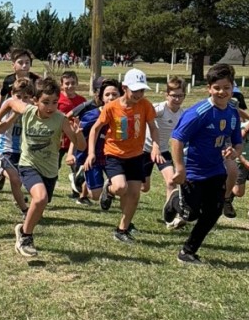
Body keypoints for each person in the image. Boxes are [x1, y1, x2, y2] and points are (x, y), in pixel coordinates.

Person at [0, 77, 84, 257]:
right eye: (45, 102)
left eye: (55, 102)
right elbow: (9, 102)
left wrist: (79, 135)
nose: (50, 107)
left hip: (49, 170)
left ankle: (23, 230)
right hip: (28, 165)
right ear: (35, 101)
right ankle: (26, 237)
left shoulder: (61, 119)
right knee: (39, 199)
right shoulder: (28, 110)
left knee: (42, 203)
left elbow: (80, 147)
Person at [163, 63, 243, 264]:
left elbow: (237, 141)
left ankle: (187, 251)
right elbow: (176, 139)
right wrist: (180, 168)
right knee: (190, 214)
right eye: (217, 88)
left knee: (213, 211)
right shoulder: (199, 112)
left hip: (216, 169)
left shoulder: (232, 111)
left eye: (226, 87)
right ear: (209, 88)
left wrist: (234, 152)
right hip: (193, 170)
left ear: (232, 87)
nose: (222, 92)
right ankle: (173, 199)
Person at [85, 68, 160, 242]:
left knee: (134, 194)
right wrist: (90, 153)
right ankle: (109, 190)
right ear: (125, 88)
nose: (138, 94)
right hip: (114, 154)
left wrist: (155, 146)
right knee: (120, 187)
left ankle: (122, 229)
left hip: (136, 156)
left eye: (141, 90)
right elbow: (95, 129)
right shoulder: (112, 107)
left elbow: (154, 128)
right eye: (135, 90)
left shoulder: (145, 105)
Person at [69, 79, 121, 206]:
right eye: (107, 95)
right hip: (93, 157)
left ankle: (107, 189)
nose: (111, 97)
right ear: (102, 97)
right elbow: (78, 134)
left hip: (113, 157)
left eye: (114, 94)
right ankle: (81, 178)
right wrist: (71, 153)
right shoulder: (92, 115)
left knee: (122, 186)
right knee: (95, 195)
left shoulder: (123, 115)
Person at [0, 79, 35, 213]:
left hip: (24, 149)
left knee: (20, 181)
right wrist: (15, 114)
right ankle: (25, 210)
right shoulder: (8, 106)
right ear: (12, 94)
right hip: (7, 147)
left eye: (26, 97)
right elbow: (1, 129)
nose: (22, 100)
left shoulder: (32, 108)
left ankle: (23, 206)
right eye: (18, 97)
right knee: (15, 179)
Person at [141, 77, 186, 202]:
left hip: (163, 151)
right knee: (144, 187)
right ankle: (111, 185)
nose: (177, 99)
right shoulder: (159, 109)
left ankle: (170, 213)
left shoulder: (182, 114)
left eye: (180, 96)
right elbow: (141, 116)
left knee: (172, 182)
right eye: (173, 96)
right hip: (145, 150)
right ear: (167, 95)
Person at [58, 71, 86, 171]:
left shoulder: (82, 101)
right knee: (53, 168)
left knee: (77, 169)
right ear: (61, 85)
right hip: (59, 139)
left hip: (75, 139)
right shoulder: (57, 99)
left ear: (77, 83)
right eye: (67, 83)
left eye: (73, 83)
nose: (70, 86)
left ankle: (76, 185)